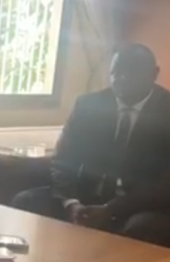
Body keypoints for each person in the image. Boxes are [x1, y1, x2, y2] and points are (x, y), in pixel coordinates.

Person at [11, 43, 170, 247]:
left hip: (139, 205)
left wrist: (112, 210)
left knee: (142, 228)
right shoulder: (89, 105)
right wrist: (71, 203)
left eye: (133, 71)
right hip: (85, 197)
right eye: (116, 71)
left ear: (154, 74)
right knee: (26, 201)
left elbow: (163, 184)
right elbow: (62, 160)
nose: (122, 78)